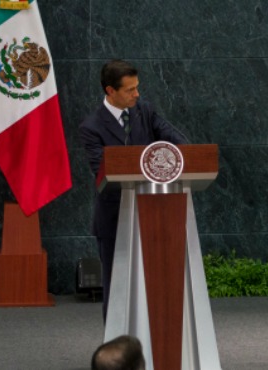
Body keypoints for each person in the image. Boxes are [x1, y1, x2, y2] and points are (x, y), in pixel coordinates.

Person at [79, 59, 188, 321]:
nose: (136, 94)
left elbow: (178, 141)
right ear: (110, 91)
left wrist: (185, 154)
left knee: (155, 282)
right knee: (117, 285)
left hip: (153, 212)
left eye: (137, 88)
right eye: (130, 90)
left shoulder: (145, 111)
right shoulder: (91, 127)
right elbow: (102, 170)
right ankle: (115, 350)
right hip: (115, 216)